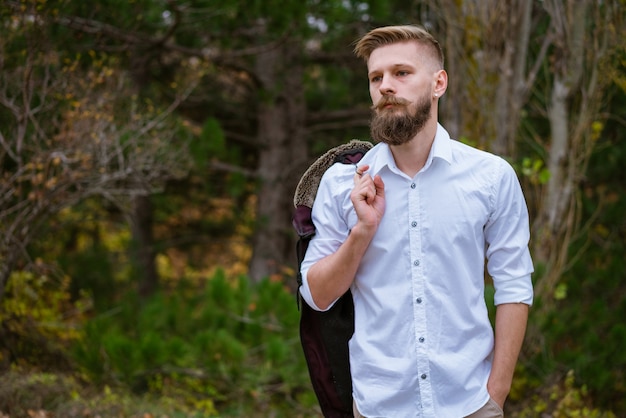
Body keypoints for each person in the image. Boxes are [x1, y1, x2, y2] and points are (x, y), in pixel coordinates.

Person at [299, 25, 534, 418]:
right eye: (376, 78)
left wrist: (497, 392)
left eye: (401, 73)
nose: (385, 86)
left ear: (439, 82)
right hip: (377, 406)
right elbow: (317, 296)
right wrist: (363, 231)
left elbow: (514, 284)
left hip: (470, 403)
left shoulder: (490, 176)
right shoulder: (342, 183)